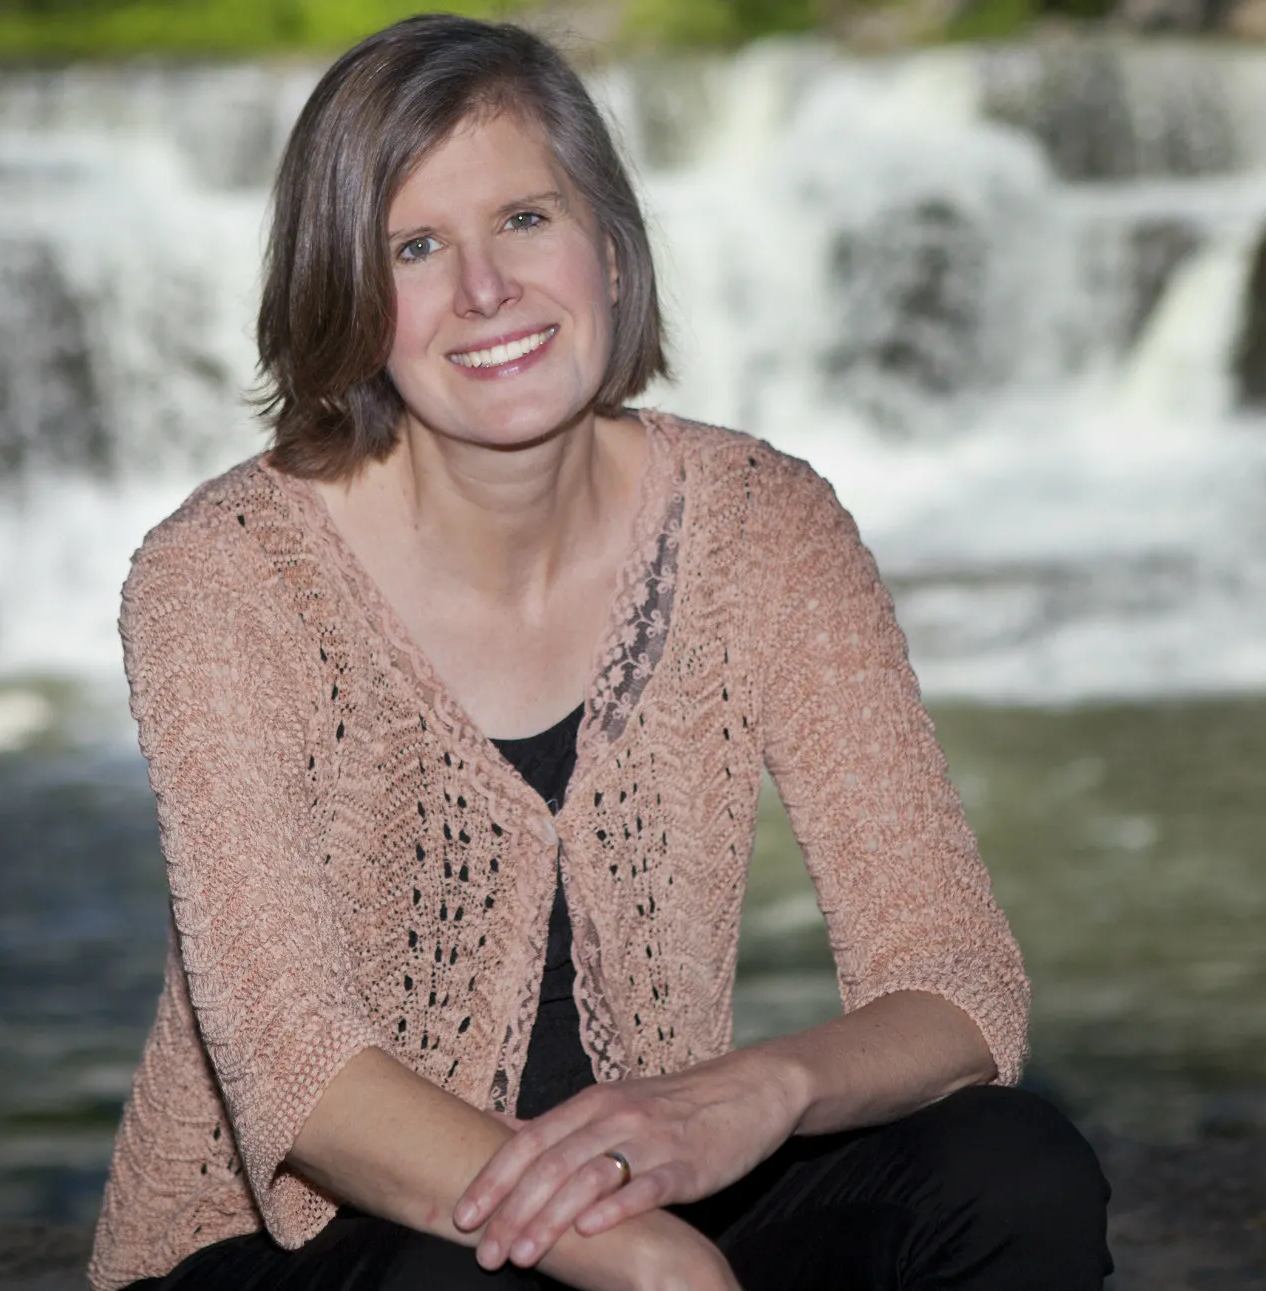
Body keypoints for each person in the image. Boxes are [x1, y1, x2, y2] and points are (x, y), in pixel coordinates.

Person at [89, 15, 1111, 1291]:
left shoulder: (763, 525)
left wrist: (755, 1092)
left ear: (611, 249)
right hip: (306, 1244)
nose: (485, 290)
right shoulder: (224, 577)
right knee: (456, 1279)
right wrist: (648, 1261)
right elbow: (300, 1074)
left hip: (646, 1173)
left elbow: (957, 986)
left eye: (525, 219)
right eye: (415, 247)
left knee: (1013, 1170)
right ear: (345, 302)